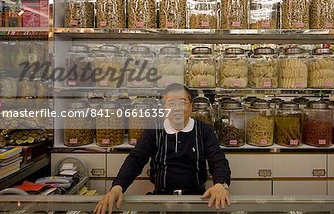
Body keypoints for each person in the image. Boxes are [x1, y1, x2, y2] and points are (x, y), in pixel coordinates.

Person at [94, 84, 231, 214]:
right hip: (160, 200)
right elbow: (136, 159)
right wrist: (118, 187)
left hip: (198, 200)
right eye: (171, 103)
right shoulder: (153, 131)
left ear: (191, 106)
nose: (177, 108)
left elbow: (218, 159)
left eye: (182, 102)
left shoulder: (204, 130)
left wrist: (220, 184)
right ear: (164, 108)